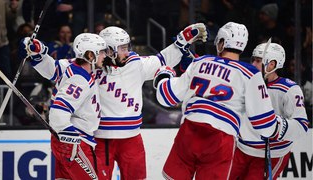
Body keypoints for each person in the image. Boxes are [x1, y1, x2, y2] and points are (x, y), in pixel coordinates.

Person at [23, 24, 207, 179]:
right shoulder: (90, 65)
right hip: (101, 139)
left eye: (127, 46)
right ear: (107, 50)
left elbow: (162, 59)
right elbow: (54, 70)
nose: (127, 51)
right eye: (122, 48)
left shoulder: (136, 63)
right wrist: (39, 55)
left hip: (132, 138)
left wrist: (182, 41)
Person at [153, 22, 279, 179]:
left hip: (190, 131)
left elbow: (166, 96)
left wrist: (164, 76)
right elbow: (265, 124)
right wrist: (278, 128)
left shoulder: (200, 62)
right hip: (221, 138)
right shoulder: (251, 73)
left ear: (222, 42)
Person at [19, 33, 108, 179]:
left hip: (64, 142)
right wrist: (71, 140)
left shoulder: (72, 67)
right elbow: (58, 113)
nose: (105, 55)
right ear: (91, 55)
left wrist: (37, 51)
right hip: (76, 142)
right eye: (102, 52)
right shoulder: (80, 79)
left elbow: (50, 68)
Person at [229, 43, 309, 180]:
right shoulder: (244, 83)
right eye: (253, 59)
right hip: (242, 149)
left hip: (271, 154)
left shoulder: (289, 89)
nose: (253, 64)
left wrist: (276, 126)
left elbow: (302, 126)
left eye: (258, 61)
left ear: (272, 64)